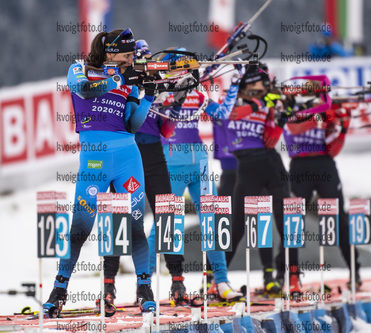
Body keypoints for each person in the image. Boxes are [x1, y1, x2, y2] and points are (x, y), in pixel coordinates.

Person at [44, 28, 157, 314]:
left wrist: (148, 96)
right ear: (110, 52)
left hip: (128, 156)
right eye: (127, 54)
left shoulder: (130, 81)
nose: (132, 59)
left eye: (133, 55)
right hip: (94, 158)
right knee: (80, 228)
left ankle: (144, 289)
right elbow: (84, 89)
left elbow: (133, 124)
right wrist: (118, 78)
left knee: (135, 225)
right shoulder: (79, 68)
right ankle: (59, 291)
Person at [147, 52, 243, 301]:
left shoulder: (198, 93)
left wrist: (233, 85)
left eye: (190, 69)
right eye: (183, 68)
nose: (189, 73)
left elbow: (221, 115)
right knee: (164, 224)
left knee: (212, 221)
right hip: (171, 164)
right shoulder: (160, 91)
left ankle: (221, 281)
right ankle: (143, 282)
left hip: (199, 163)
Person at [103, 41, 189, 306]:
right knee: (120, 219)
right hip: (127, 156)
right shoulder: (121, 82)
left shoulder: (153, 85)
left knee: (168, 214)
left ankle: (177, 280)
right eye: (141, 62)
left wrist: (176, 103)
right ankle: (108, 285)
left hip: (152, 155)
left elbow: (165, 130)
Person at [217, 64, 293, 294]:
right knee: (237, 226)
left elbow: (271, 139)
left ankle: (280, 275)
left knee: (285, 222)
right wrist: (262, 101)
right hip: (242, 168)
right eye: (259, 84)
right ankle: (217, 279)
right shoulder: (229, 104)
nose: (264, 88)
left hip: (270, 164)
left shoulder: (266, 104)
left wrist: (282, 116)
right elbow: (231, 114)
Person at [282, 81, 360, 289]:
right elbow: (296, 127)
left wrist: (342, 126)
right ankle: (291, 276)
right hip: (300, 166)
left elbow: (332, 148)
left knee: (339, 217)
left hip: (324, 164)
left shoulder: (325, 111)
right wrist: (323, 111)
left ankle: (355, 271)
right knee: (293, 220)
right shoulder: (290, 109)